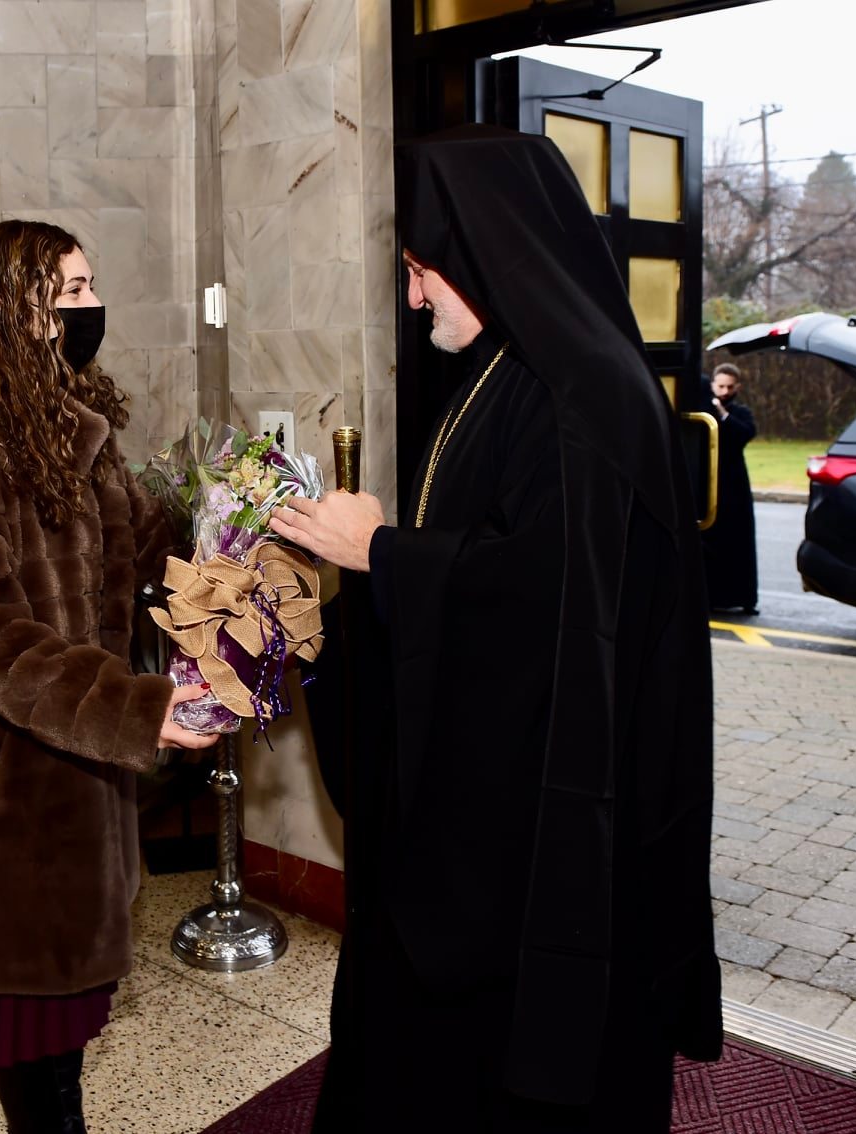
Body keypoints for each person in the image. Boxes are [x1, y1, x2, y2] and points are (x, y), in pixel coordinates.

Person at [270, 125, 721, 1130]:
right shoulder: (505, 373)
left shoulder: (581, 397)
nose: (414, 295)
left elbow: (553, 609)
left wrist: (383, 553)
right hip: (487, 823)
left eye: (423, 271)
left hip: (546, 838)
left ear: (487, 255)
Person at [0, 219, 216, 1134]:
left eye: (91, 286)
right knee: (35, 1063)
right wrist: (138, 711)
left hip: (72, 781)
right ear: (5, 309)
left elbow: (148, 551)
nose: (90, 307)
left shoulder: (73, 431)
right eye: (68, 293)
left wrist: (240, 535)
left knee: (58, 1056)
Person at [701, 362, 759, 615]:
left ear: (737, 387)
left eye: (729, 387)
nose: (724, 391)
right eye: (720, 386)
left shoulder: (740, 412)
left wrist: (723, 413)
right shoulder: (703, 409)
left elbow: (744, 433)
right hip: (710, 480)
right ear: (713, 384)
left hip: (734, 483)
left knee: (739, 542)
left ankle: (744, 598)